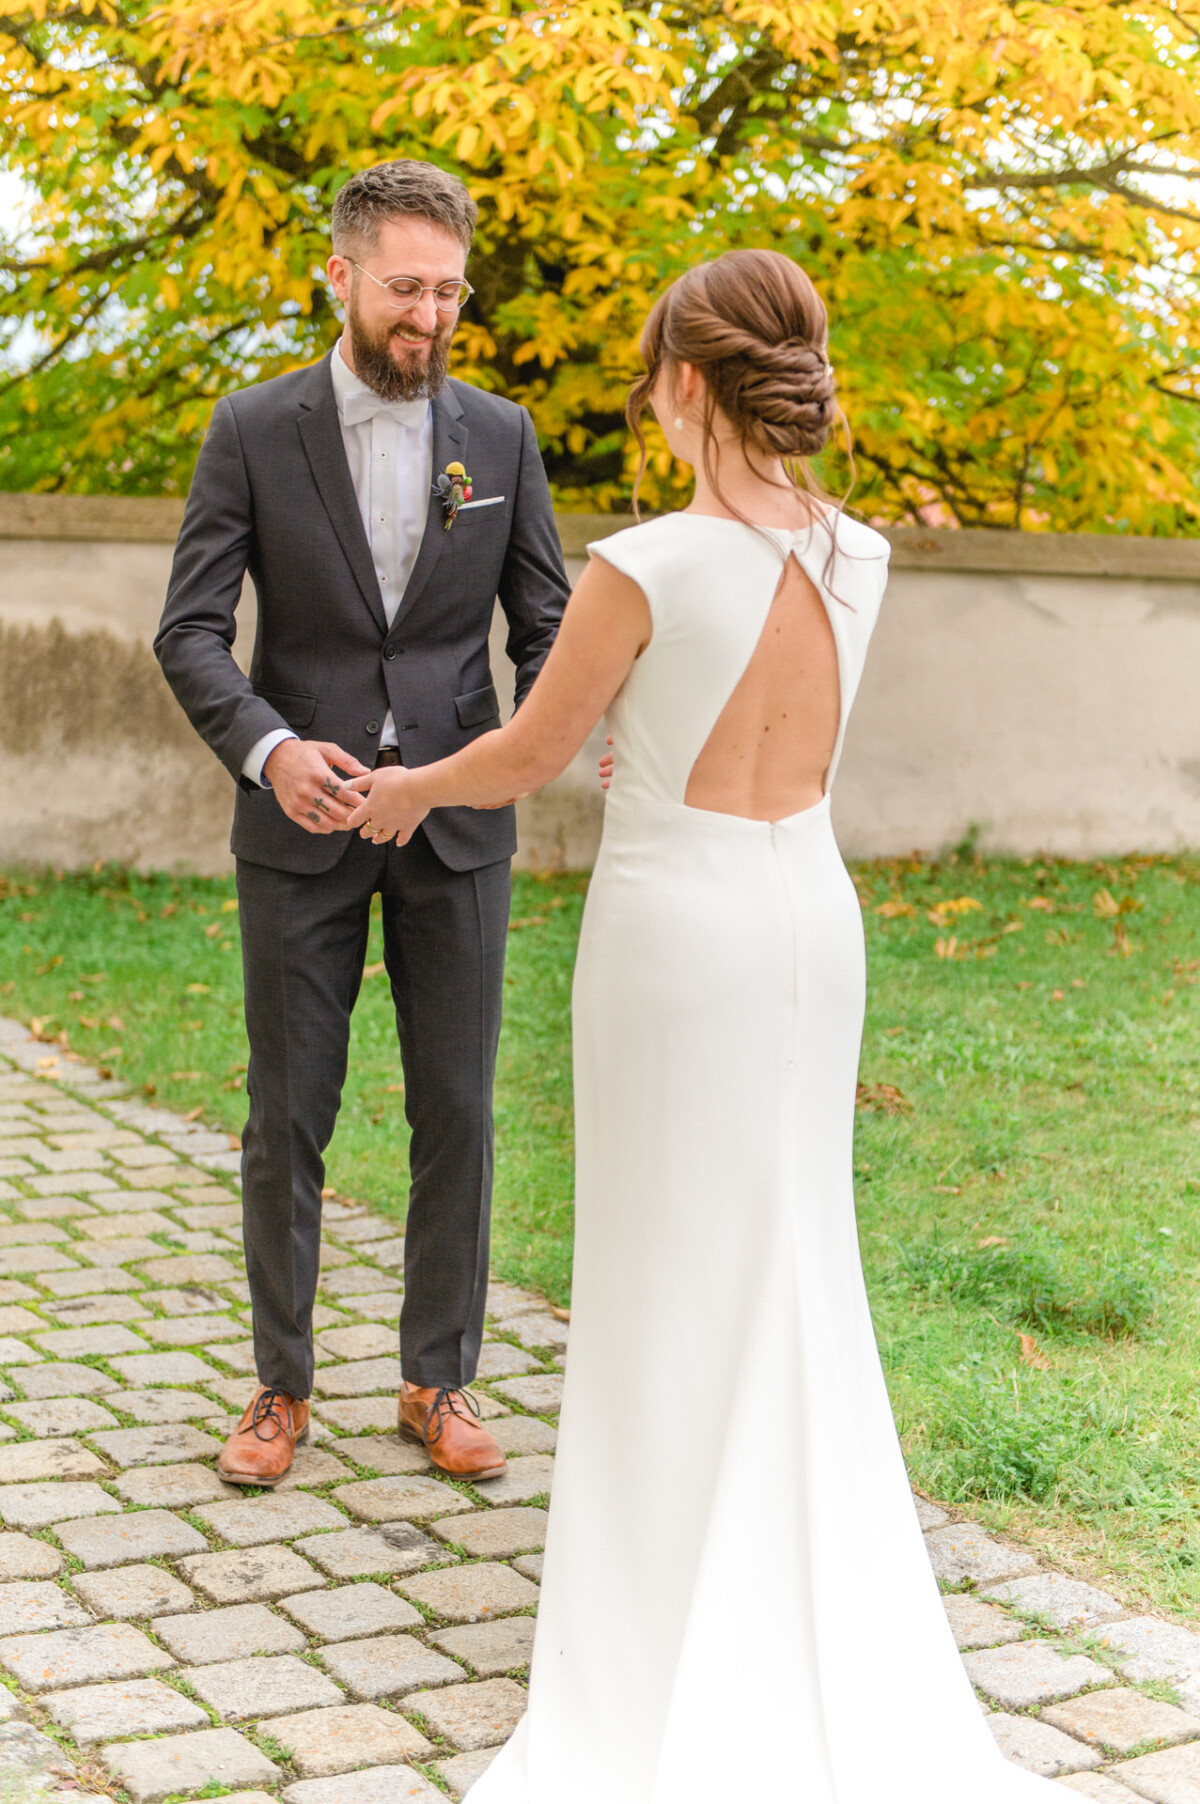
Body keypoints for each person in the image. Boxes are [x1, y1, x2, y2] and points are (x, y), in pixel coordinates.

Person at [342, 248, 1064, 1801]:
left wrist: (403, 788)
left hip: (678, 933)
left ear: (682, 382)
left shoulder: (646, 566)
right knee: (791, 1252)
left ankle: (667, 1639)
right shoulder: (863, 555)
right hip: (809, 914)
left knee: (668, 1269)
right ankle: (793, 1598)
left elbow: (529, 753)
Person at [154, 160, 569, 1488]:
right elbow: (189, 631)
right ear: (339, 276)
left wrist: (524, 746)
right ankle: (280, 1388)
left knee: (458, 1109)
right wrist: (270, 752)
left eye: (448, 292)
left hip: (456, 822)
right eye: (404, 289)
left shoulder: (501, 436)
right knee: (288, 1114)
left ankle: (438, 1377)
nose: (428, 317)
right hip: (302, 824)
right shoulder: (249, 429)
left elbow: (548, 625)